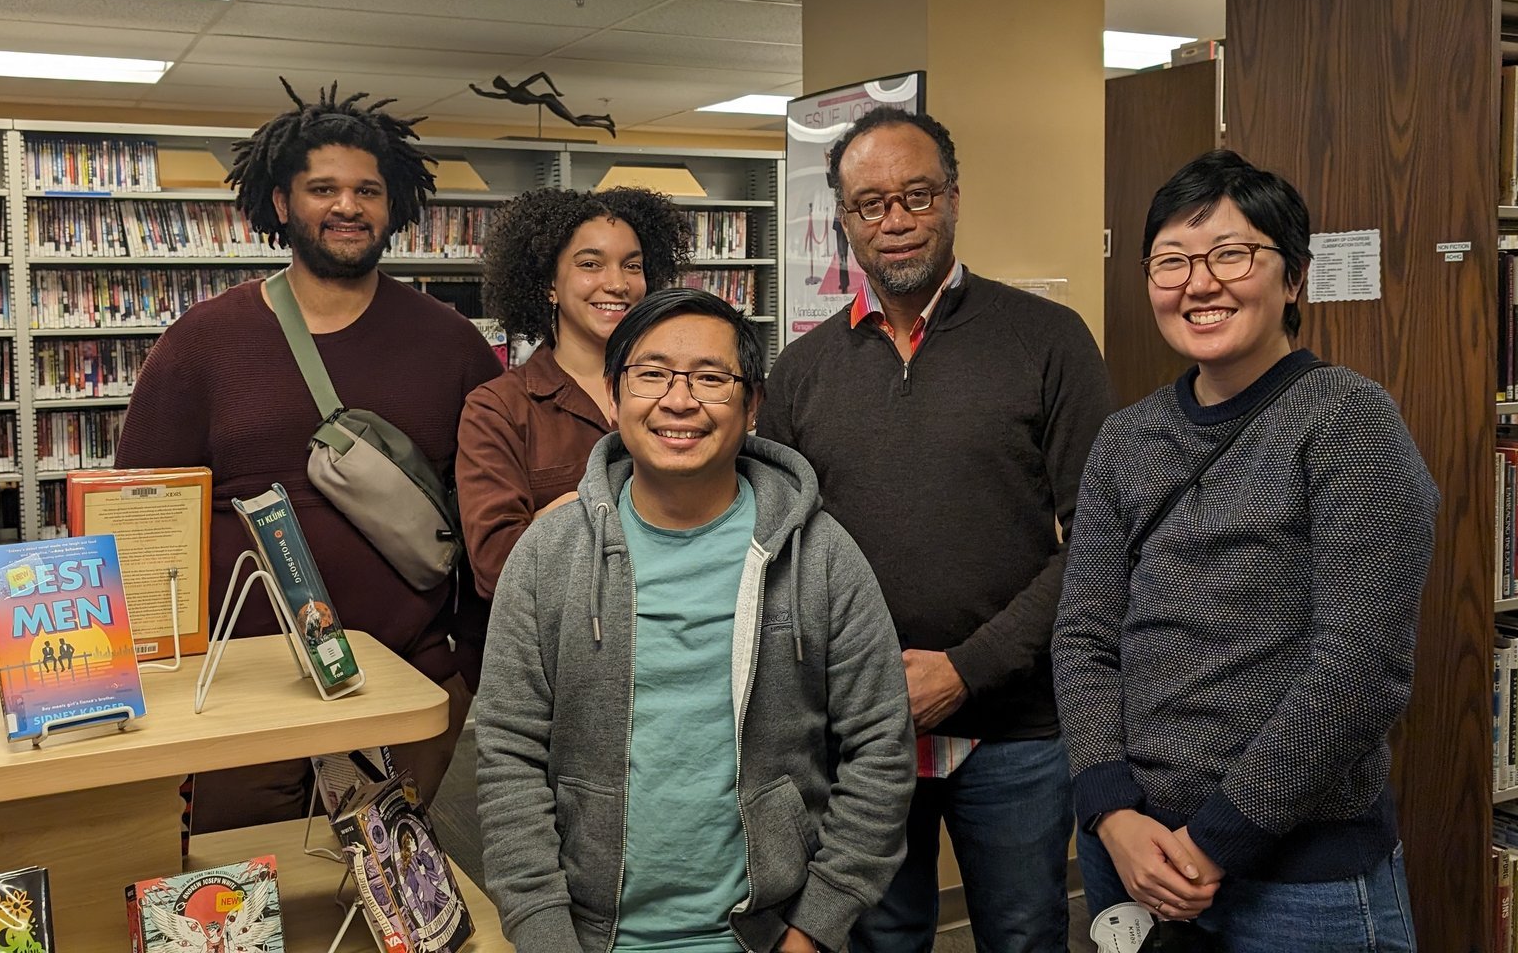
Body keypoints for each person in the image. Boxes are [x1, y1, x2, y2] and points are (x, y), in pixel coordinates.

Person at [1052, 150, 1436, 951]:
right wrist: (1110, 810)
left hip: (1297, 879)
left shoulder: (1348, 420)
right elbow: (1084, 636)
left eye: (1231, 255)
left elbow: (1359, 668)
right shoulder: (1125, 440)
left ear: (1293, 278)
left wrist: (1215, 840)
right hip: (1131, 854)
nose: (1199, 284)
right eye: (1172, 261)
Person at [757, 108, 1112, 953]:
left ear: (954, 198)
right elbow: (782, 554)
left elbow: (1102, 541)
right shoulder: (800, 373)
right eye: (870, 203)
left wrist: (965, 669)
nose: (896, 219)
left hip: (1015, 728)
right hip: (860, 730)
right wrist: (863, 686)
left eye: (917, 195)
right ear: (844, 221)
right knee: (881, 939)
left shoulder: (1048, 341)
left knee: (1024, 934)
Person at [477, 288, 915, 953]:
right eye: (651, 374)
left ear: (752, 404)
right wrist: (544, 935)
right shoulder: (548, 555)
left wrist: (814, 928)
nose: (678, 401)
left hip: (766, 935)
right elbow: (508, 754)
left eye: (711, 378)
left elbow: (882, 746)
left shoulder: (821, 555)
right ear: (614, 394)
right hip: (589, 936)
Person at [118, 81, 502, 827]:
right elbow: (140, 517)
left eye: (367, 190)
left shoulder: (450, 343)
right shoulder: (202, 342)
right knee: (243, 882)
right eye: (323, 188)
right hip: (243, 691)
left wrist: (466, 667)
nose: (347, 206)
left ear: (393, 206)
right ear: (282, 202)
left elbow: (490, 508)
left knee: (395, 889)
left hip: (405, 682)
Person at [456, 185, 688, 598]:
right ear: (550, 283)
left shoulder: (677, 389)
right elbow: (496, 566)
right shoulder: (500, 409)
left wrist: (549, 519)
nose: (617, 283)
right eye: (590, 264)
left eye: (632, 266)